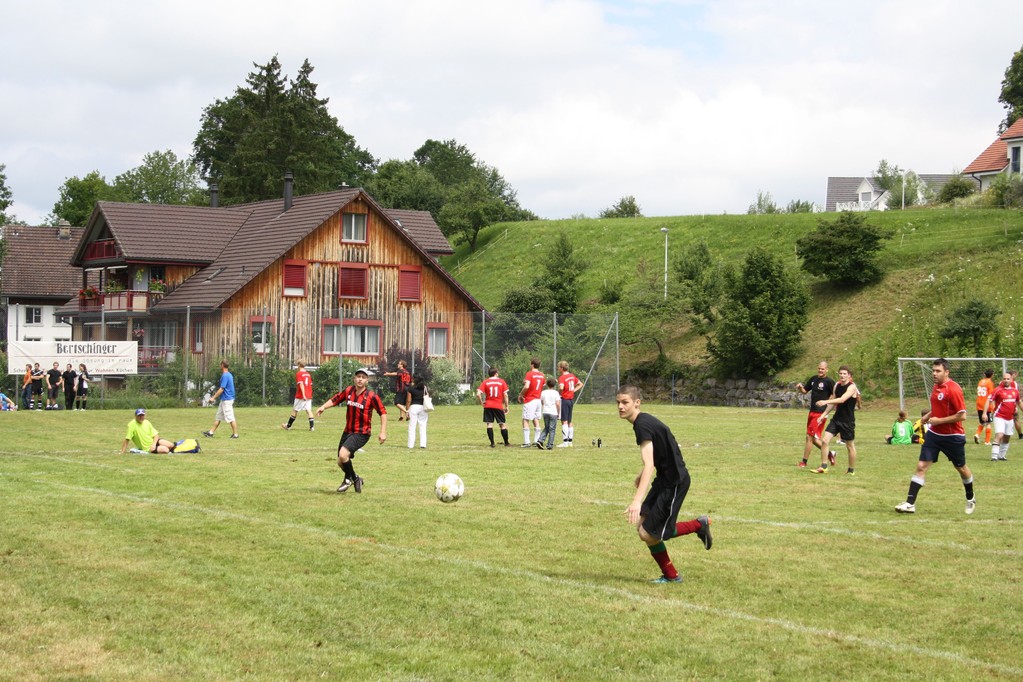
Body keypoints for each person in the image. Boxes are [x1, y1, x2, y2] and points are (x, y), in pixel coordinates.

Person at [616, 385, 712, 584]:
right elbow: (659, 453)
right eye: (618, 403)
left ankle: (697, 527)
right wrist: (641, 474)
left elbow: (649, 464)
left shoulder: (642, 425)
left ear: (637, 403)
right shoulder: (644, 421)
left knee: (650, 532)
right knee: (644, 528)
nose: (620, 407)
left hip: (674, 482)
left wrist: (636, 501)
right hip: (664, 479)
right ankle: (671, 574)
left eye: (625, 402)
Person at [895, 358, 975, 515]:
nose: (934, 373)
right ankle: (910, 504)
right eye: (933, 370)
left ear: (947, 372)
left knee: (961, 468)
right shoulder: (936, 386)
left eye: (938, 371)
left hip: (953, 436)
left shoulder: (954, 389)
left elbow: (962, 415)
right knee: (921, 466)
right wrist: (928, 416)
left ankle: (970, 498)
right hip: (934, 435)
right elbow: (940, 406)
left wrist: (939, 421)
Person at [315, 367, 387, 494]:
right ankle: (356, 478)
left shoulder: (371, 396)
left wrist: (383, 432)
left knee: (343, 455)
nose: (360, 379)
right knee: (340, 461)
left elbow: (383, 413)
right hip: (348, 431)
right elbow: (336, 398)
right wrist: (323, 407)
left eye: (363, 377)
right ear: (354, 379)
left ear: (367, 381)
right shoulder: (349, 391)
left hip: (362, 433)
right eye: (358, 377)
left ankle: (348, 480)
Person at [812, 366, 858, 475]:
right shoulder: (837, 385)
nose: (842, 375)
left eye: (844, 374)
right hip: (836, 419)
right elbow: (833, 402)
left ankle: (851, 470)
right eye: (840, 373)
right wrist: (823, 415)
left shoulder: (852, 387)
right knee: (825, 440)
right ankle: (823, 467)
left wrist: (824, 401)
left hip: (847, 421)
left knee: (849, 446)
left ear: (849, 375)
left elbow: (842, 400)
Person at [795, 361, 837, 467]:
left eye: (822, 369)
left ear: (826, 370)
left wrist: (828, 403)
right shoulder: (814, 379)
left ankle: (804, 462)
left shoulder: (829, 381)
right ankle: (830, 453)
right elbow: (805, 391)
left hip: (821, 413)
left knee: (809, 437)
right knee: (813, 439)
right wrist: (800, 387)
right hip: (812, 411)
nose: (820, 370)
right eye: (819, 368)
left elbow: (836, 394)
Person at [984, 371, 1019, 462]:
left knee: (1007, 437)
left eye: (1008, 379)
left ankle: (1001, 456)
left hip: (1010, 418)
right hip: (999, 416)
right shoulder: (998, 390)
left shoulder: (1015, 391)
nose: (1006, 380)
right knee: (999, 435)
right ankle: (994, 456)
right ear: (1002, 380)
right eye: (1004, 379)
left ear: (1011, 380)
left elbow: (1019, 402)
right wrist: (984, 413)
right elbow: (988, 400)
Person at [202, 360, 238, 438]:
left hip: (227, 400)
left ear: (222, 365)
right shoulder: (229, 375)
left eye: (220, 365)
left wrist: (213, 398)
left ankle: (235, 434)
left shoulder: (225, 376)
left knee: (231, 418)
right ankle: (210, 433)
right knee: (218, 417)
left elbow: (222, 389)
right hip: (224, 400)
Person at [477, 367, 511, 448]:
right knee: (502, 424)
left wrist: (482, 403)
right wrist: (506, 406)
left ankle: (492, 443)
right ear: (496, 374)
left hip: (488, 405)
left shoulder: (486, 382)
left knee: (489, 424)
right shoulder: (501, 381)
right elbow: (505, 395)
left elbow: (478, 394)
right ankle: (506, 443)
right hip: (498, 405)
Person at [556, 360, 583, 448]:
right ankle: (570, 441)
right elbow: (580, 384)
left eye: (559, 367)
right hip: (571, 400)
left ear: (561, 368)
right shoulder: (572, 376)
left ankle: (565, 442)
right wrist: (573, 391)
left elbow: (561, 387)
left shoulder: (562, 377)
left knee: (564, 420)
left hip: (564, 400)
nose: (558, 369)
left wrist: (559, 393)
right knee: (569, 421)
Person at [519, 357, 545, 447]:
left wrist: (521, 394)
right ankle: (537, 441)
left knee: (525, 419)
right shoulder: (542, 375)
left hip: (530, 399)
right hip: (538, 400)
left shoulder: (529, 374)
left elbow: (527, 386)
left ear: (532, 365)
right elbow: (540, 385)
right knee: (536, 419)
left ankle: (526, 442)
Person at [281, 361, 314, 431]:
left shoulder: (299, 374)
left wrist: (303, 395)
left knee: (295, 410)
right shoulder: (308, 374)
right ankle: (312, 427)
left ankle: (288, 426)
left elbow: (301, 384)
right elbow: (310, 385)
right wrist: (309, 394)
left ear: (299, 365)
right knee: (309, 410)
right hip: (309, 394)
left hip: (301, 395)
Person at [535, 378, 561, 450]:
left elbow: (542, 402)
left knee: (547, 427)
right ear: (554, 385)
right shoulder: (556, 393)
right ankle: (550, 445)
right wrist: (558, 412)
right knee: (552, 429)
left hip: (545, 411)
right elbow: (558, 404)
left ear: (547, 384)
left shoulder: (543, 392)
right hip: (553, 412)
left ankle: (540, 440)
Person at [405, 375, 429, 449]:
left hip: (414, 407)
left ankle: (410, 445)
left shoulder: (411, 388)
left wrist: (407, 410)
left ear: (415, 380)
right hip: (423, 407)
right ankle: (423, 444)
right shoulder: (425, 387)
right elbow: (427, 396)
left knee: (412, 426)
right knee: (423, 425)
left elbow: (408, 400)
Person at [974, 368, 996, 445]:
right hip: (986, 405)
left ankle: (977, 434)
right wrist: (993, 405)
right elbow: (991, 396)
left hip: (979, 404)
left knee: (983, 422)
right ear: (992, 375)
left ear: (984, 374)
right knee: (988, 423)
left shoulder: (980, 381)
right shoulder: (990, 383)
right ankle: (987, 441)